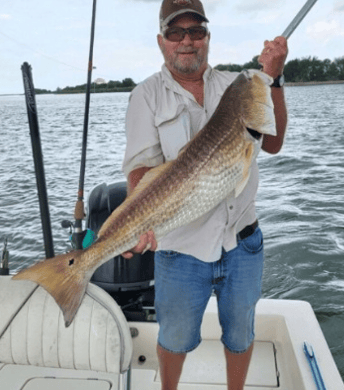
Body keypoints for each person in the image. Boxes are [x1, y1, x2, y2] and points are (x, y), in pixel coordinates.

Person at [122, 0, 288, 389]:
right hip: (180, 249)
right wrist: (137, 222)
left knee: (240, 335)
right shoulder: (145, 97)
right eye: (175, 32)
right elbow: (141, 173)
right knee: (174, 340)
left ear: (207, 38)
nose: (186, 41)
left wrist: (273, 79)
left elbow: (274, 142)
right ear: (161, 41)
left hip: (243, 242)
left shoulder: (239, 86)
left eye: (195, 31)